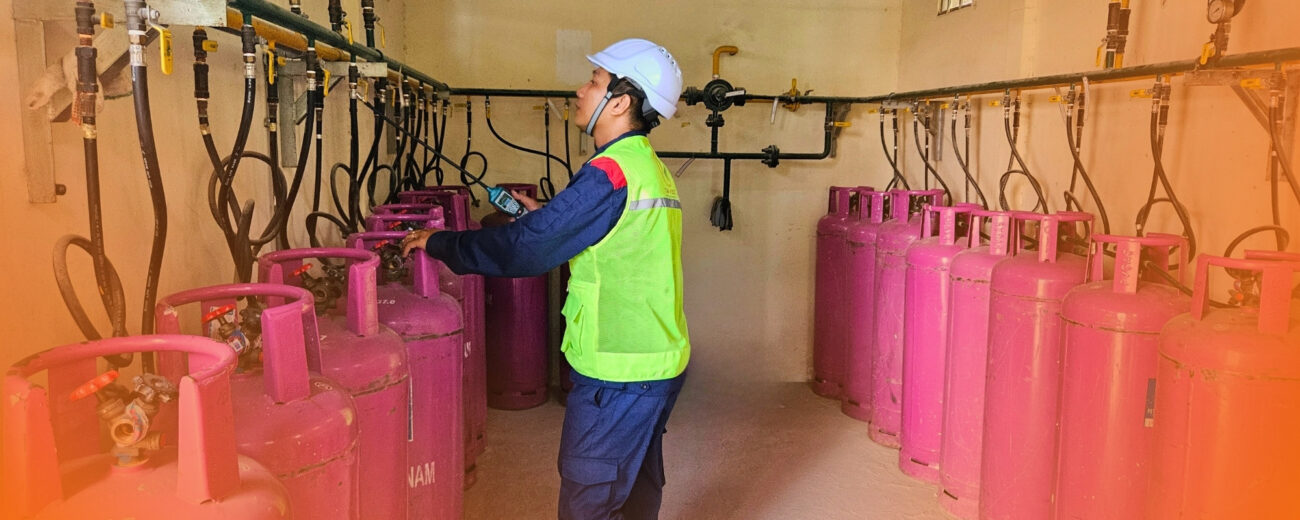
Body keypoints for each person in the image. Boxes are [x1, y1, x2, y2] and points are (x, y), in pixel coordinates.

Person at [400, 38, 691, 520]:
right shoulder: (645, 165)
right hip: (655, 359)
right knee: (633, 487)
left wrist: (441, 243)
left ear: (620, 102)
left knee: (590, 497)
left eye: (594, 82)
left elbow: (523, 251)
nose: (580, 90)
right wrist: (547, 217)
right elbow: (609, 233)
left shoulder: (611, 172)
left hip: (620, 372)